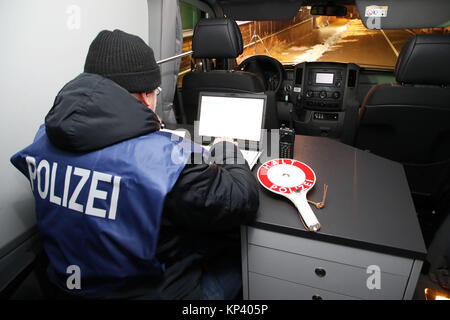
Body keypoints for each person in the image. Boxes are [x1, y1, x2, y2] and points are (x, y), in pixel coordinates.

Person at [10, 29, 259, 299]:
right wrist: (227, 150)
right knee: (247, 262)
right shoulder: (165, 163)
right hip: (155, 293)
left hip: (65, 288)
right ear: (145, 97)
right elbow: (240, 199)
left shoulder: (44, 139)